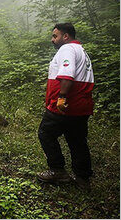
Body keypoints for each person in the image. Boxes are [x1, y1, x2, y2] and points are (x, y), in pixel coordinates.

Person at [37, 23, 94, 191]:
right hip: (81, 106)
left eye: (55, 36)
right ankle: (83, 178)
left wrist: (61, 98)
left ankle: (57, 170)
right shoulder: (81, 50)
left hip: (65, 106)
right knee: (77, 140)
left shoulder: (67, 49)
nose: (52, 40)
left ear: (66, 36)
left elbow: (67, 75)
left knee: (46, 133)